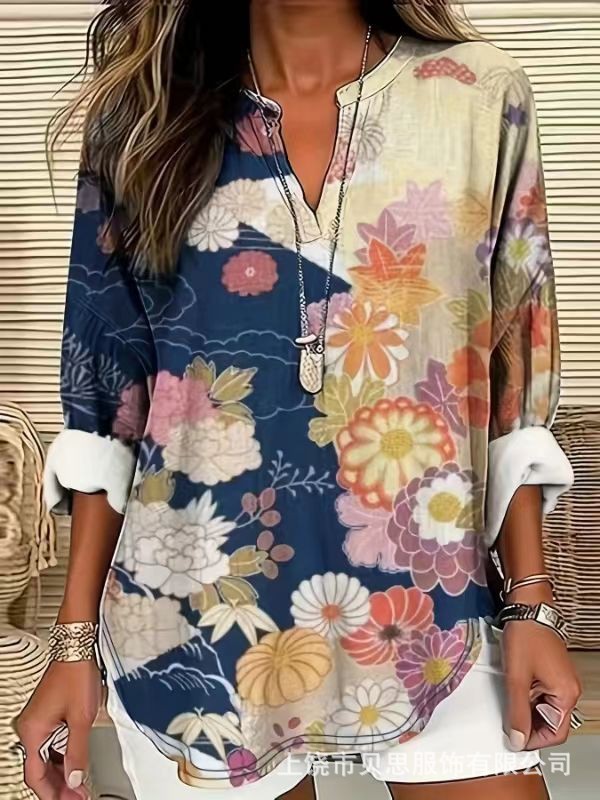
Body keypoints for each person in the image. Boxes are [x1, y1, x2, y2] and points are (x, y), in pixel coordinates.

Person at [16, 2, 582, 799]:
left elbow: (511, 371)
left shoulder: (479, 96)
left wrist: (531, 603)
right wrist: (72, 644)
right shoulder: (141, 121)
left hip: (437, 607)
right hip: (192, 623)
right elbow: (111, 406)